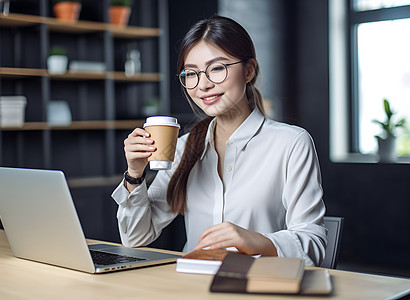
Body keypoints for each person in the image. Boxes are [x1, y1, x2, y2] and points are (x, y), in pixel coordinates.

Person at [111, 15, 327, 266]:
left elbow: (314, 245)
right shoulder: (184, 146)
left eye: (216, 68)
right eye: (191, 73)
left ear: (249, 70)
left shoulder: (291, 143)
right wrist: (135, 173)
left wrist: (256, 241)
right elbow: (135, 237)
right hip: (192, 284)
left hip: (257, 285)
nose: (202, 85)